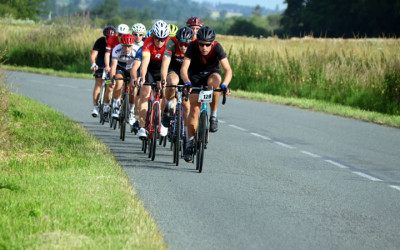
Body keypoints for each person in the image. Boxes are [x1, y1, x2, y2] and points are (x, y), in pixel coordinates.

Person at [180, 26, 232, 162]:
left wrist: (225, 85)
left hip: (211, 73)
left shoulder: (217, 47)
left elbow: (228, 70)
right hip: (195, 76)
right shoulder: (192, 46)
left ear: (212, 43)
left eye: (207, 45)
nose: (204, 47)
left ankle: (213, 115)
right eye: (201, 44)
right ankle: (189, 144)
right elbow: (184, 68)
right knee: (194, 110)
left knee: (215, 84)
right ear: (198, 42)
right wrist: (186, 82)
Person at [131, 20, 170, 140]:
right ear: (153, 36)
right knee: (144, 93)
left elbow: (166, 64)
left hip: (163, 68)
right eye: (157, 38)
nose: (159, 42)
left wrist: (163, 80)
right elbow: (145, 64)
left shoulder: (169, 44)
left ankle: (161, 118)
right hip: (150, 69)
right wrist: (142, 77)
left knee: (163, 94)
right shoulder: (147, 43)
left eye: (163, 39)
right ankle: (142, 127)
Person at [160, 27, 195, 143]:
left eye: (186, 44)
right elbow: (165, 64)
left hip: (188, 72)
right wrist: (164, 80)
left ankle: (185, 134)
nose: (184, 47)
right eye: (181, 43)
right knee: (173, 82)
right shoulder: (171, 43)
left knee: (187, 106)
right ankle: (168, 108)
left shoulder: (195, 45)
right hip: (173, 69)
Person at [109, 34, 141, 122]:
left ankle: (131, 110)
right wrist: (112, 79)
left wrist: (134, 79)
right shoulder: (116, 49)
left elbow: (136, 67)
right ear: (121, 44)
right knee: (119, 83)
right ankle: (116, 105)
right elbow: (113, 66)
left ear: (132, 45)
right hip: (120, 68)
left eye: (129, 46)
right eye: (124, 46)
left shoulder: (137, 49)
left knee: (133, 89)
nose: (127, 49)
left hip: (132, 69)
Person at [103, 24, 130, 119]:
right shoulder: (111, 39)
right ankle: (106, 107)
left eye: (124, 34)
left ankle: (122, 103)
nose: (121, 37)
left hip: (124, 65)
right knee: (110, 86)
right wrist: (107, 66)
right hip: (112, 63)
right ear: (117, 34)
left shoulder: (129, 41)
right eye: (119, 34)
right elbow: (107, 54)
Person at [89, 25, 116, 117]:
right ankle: (95, 106)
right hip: (100, 63)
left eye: (111, 37)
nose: (109, 39)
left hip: (111, 63)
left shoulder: (116, 42)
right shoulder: (100, 41)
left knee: (109, 84)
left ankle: (106, 105)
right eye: (107, 37)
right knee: (98, 83)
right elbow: (93, 55)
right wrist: (93, 64)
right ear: (104, 36)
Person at [128, 23, 146, 128]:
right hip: (129, 68)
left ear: (143, 35)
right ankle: (131, 110)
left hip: (140, 69)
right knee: (132, 89)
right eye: (135, 34)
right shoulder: (129, 43)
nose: (137, 37)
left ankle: (138, 115)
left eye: (140, 34)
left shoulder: (145, 45)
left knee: (139, 92)